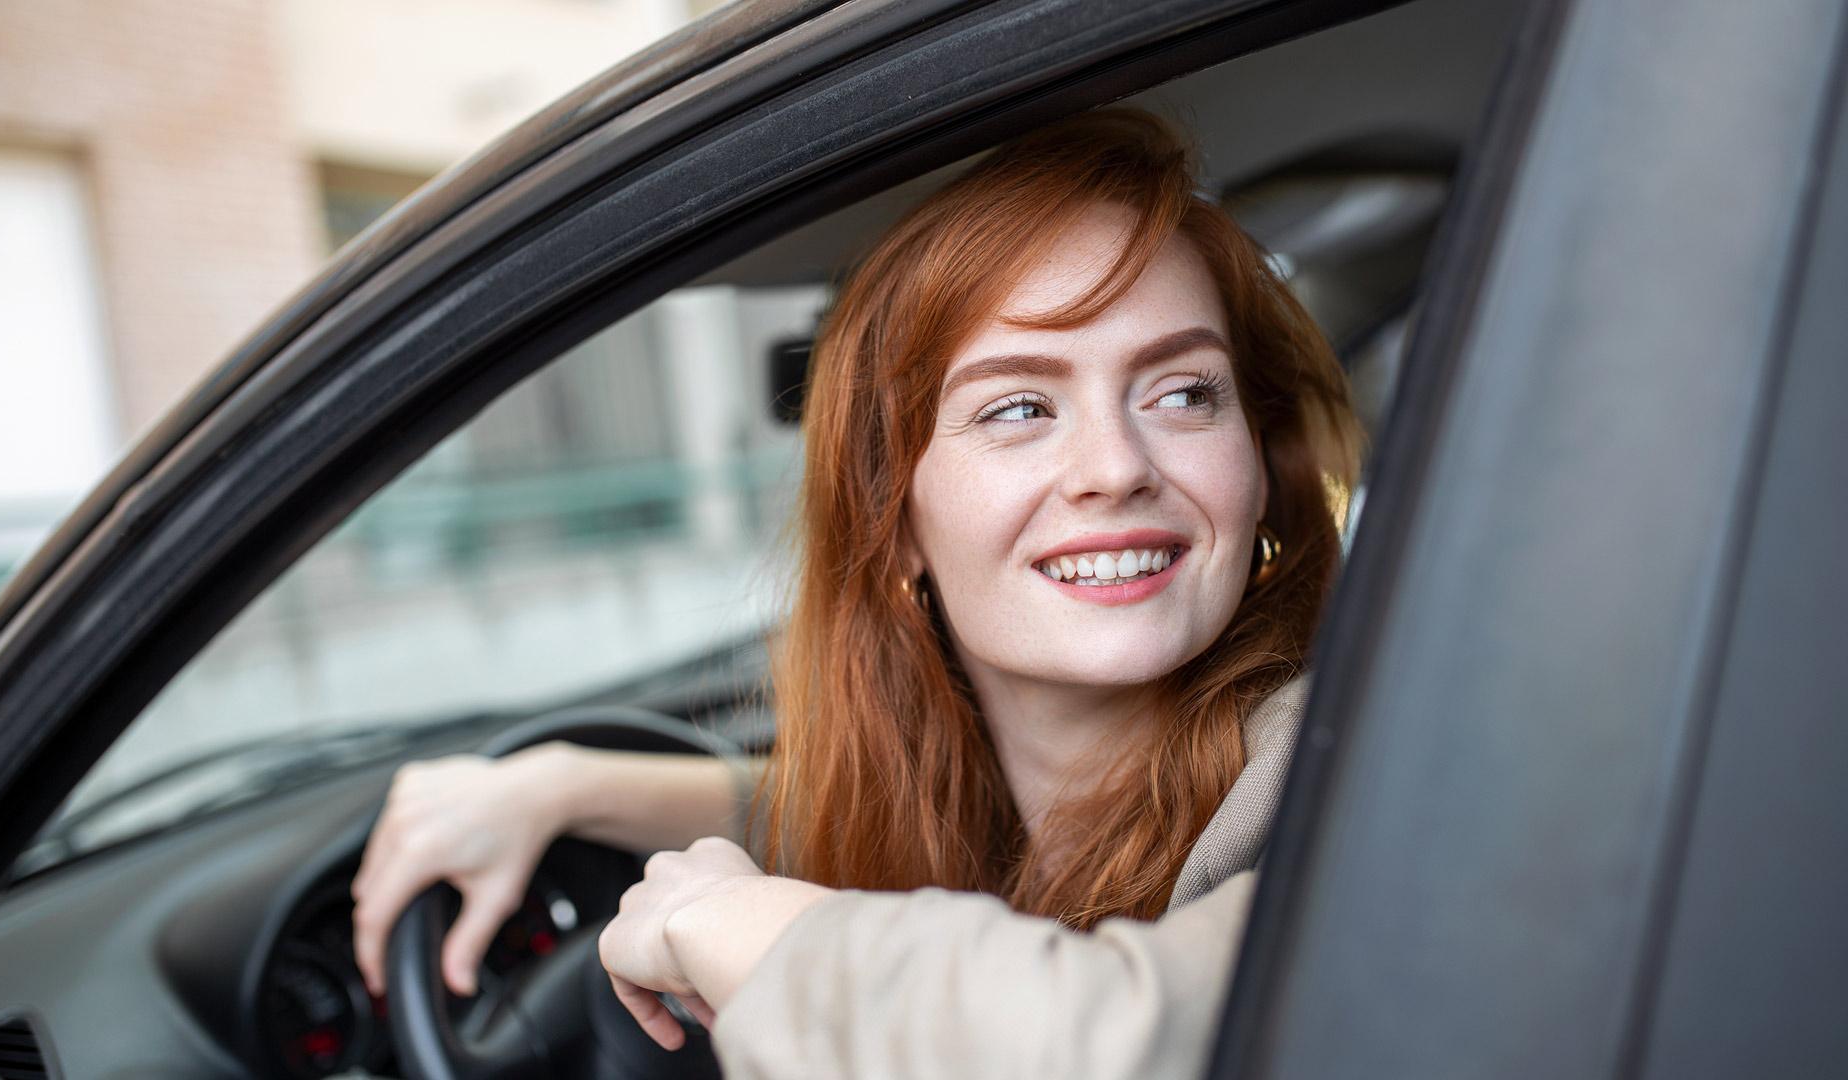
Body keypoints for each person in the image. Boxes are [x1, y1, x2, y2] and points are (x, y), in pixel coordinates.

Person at [351, 107, 1360, 1078]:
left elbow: (1126, 1047)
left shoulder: (1339, 769)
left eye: (1184, 392)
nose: (1115, 465)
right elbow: (848, 796)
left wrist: (734, 924)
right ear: (896, 522)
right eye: (1019, 406)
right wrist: (567, 785)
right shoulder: (990, 786)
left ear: (1260, 471)